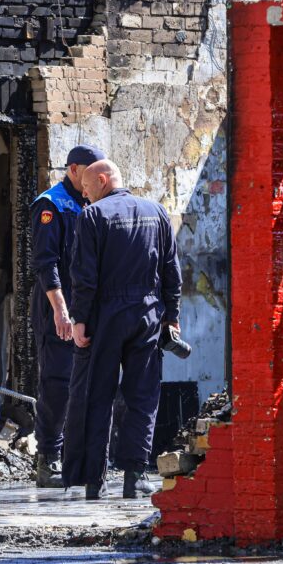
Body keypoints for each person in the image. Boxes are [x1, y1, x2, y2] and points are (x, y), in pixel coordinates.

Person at [62, 159, 182, 500]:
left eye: (87, 190)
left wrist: (79, 320)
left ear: (102, 180)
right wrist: (172, 316)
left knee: (95, 395)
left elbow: (83, 275)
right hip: (147, 313)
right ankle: (135, 476)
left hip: (105, 316)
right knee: (142, 397)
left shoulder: (92, 217)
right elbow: (172, 270)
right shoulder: (157, 213)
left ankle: (93, 481)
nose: (85, 198)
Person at [29, 144, 105, 487]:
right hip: (57, 305)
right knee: (57, 383)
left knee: (87, 384)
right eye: (89, 171)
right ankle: (48, 457)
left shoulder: (91, 201)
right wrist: (60, 309)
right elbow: (46, 262)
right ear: (74, 169)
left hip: (87, 307)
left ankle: (81, 457)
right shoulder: (51, 205)